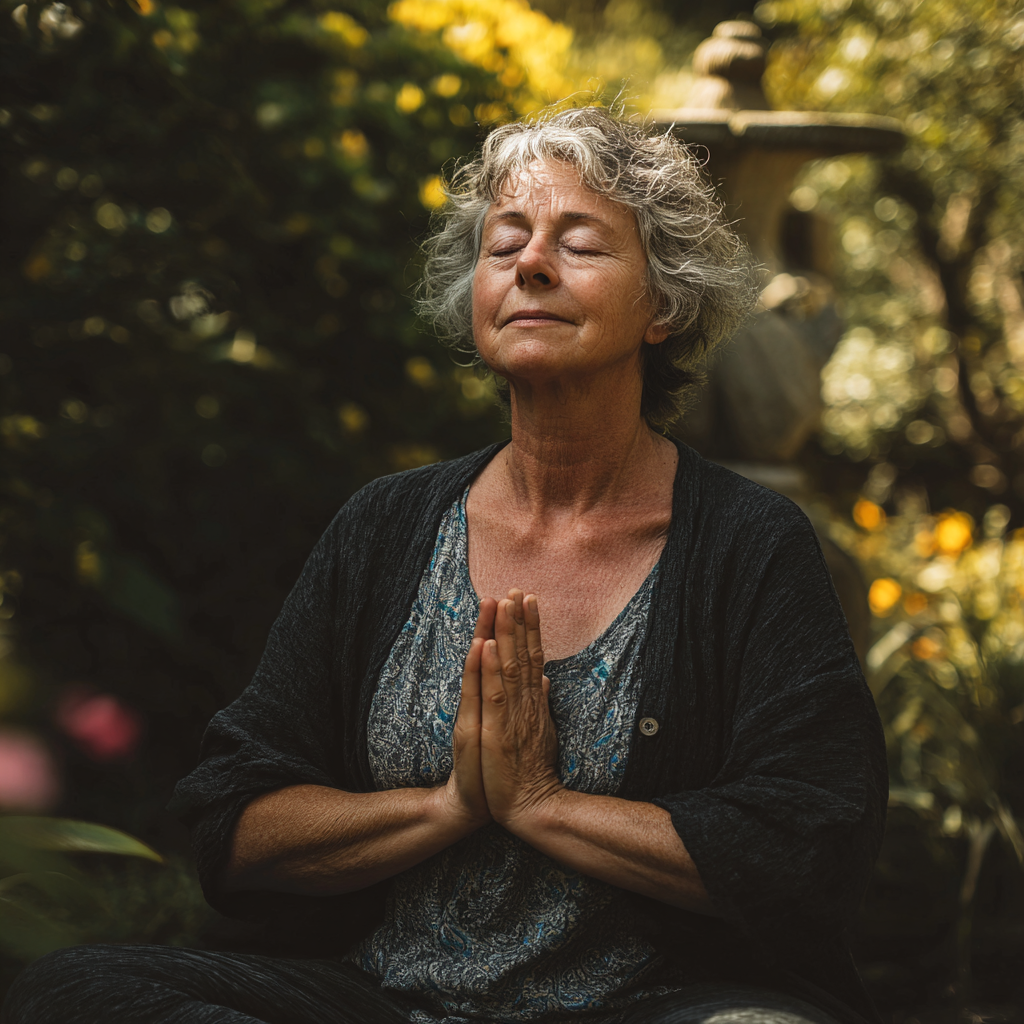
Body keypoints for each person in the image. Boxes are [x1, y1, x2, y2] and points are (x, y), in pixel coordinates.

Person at [2, 107, 886, 1024]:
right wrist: (451, 805)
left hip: (642, 1007)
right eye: (506, 244)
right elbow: (240, 820)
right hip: (374, 1001)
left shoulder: (749, 545)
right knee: (73, 992)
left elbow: (809, 847)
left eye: (578, 244)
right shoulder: (386, 525)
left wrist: (544, 804)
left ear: (663, 305)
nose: (530, 264)